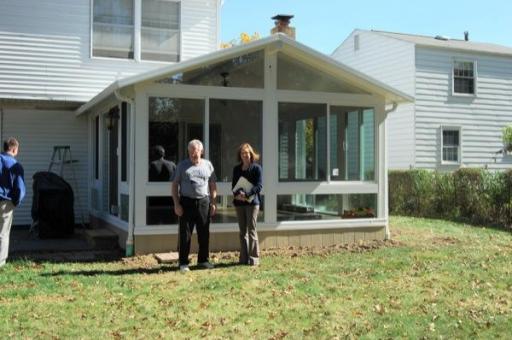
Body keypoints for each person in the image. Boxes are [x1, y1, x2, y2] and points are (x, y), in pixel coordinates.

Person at [172, 140, 217, 272]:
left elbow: (213, 185)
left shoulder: (208, 165)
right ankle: (183, 263)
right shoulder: (182, 166)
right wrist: (176, 204)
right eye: (191, 151)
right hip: (186, 202)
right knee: (185, 234)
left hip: (204, 202)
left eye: (195, 151)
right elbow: (174, 185)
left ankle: (203, 260)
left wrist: (213, 203)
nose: (193, 154)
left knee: (204, 232)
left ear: (201, 151)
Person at [232, 143, 262, 266]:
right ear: (240, 155)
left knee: (251, 230)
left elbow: (259, 186)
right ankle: (243, 258)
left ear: (251, 154)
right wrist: (239, 193)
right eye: (243, 153)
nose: (245, 155)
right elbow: (234, 186)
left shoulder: (256, 168)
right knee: (242, 231)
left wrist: (248, 194)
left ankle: (254, 258)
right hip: (239, 203)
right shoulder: (236, 169)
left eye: (247, 153)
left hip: (252, 203)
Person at [0, 137, 25, 268]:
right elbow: (19, 188)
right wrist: (16, 202)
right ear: (14, 149)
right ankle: (1, 261)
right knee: (3, 232)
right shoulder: (16, 166)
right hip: (5, 201)